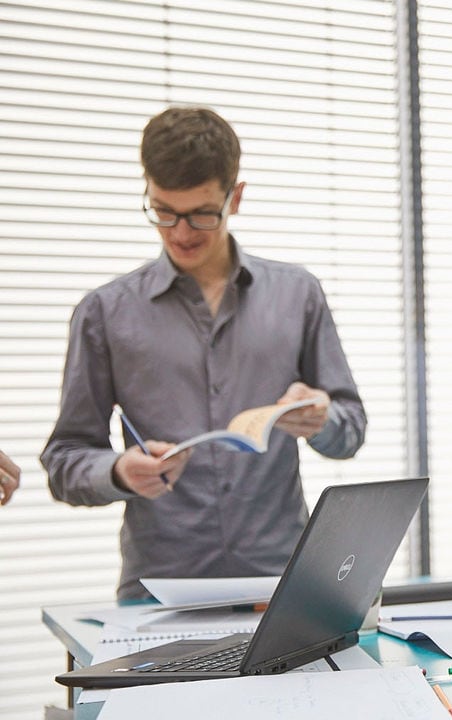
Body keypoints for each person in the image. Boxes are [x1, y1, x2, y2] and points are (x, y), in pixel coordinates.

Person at [42, 106, 367, 600]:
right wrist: (117, 471)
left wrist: (323, 420)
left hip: (281, 588)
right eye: (163, 211)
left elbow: (351, 428)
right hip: (157, 593)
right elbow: (64, 460)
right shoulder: (103, 312)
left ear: (235, 197)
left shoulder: (299, 293)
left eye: (201, 214)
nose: (180, 233)